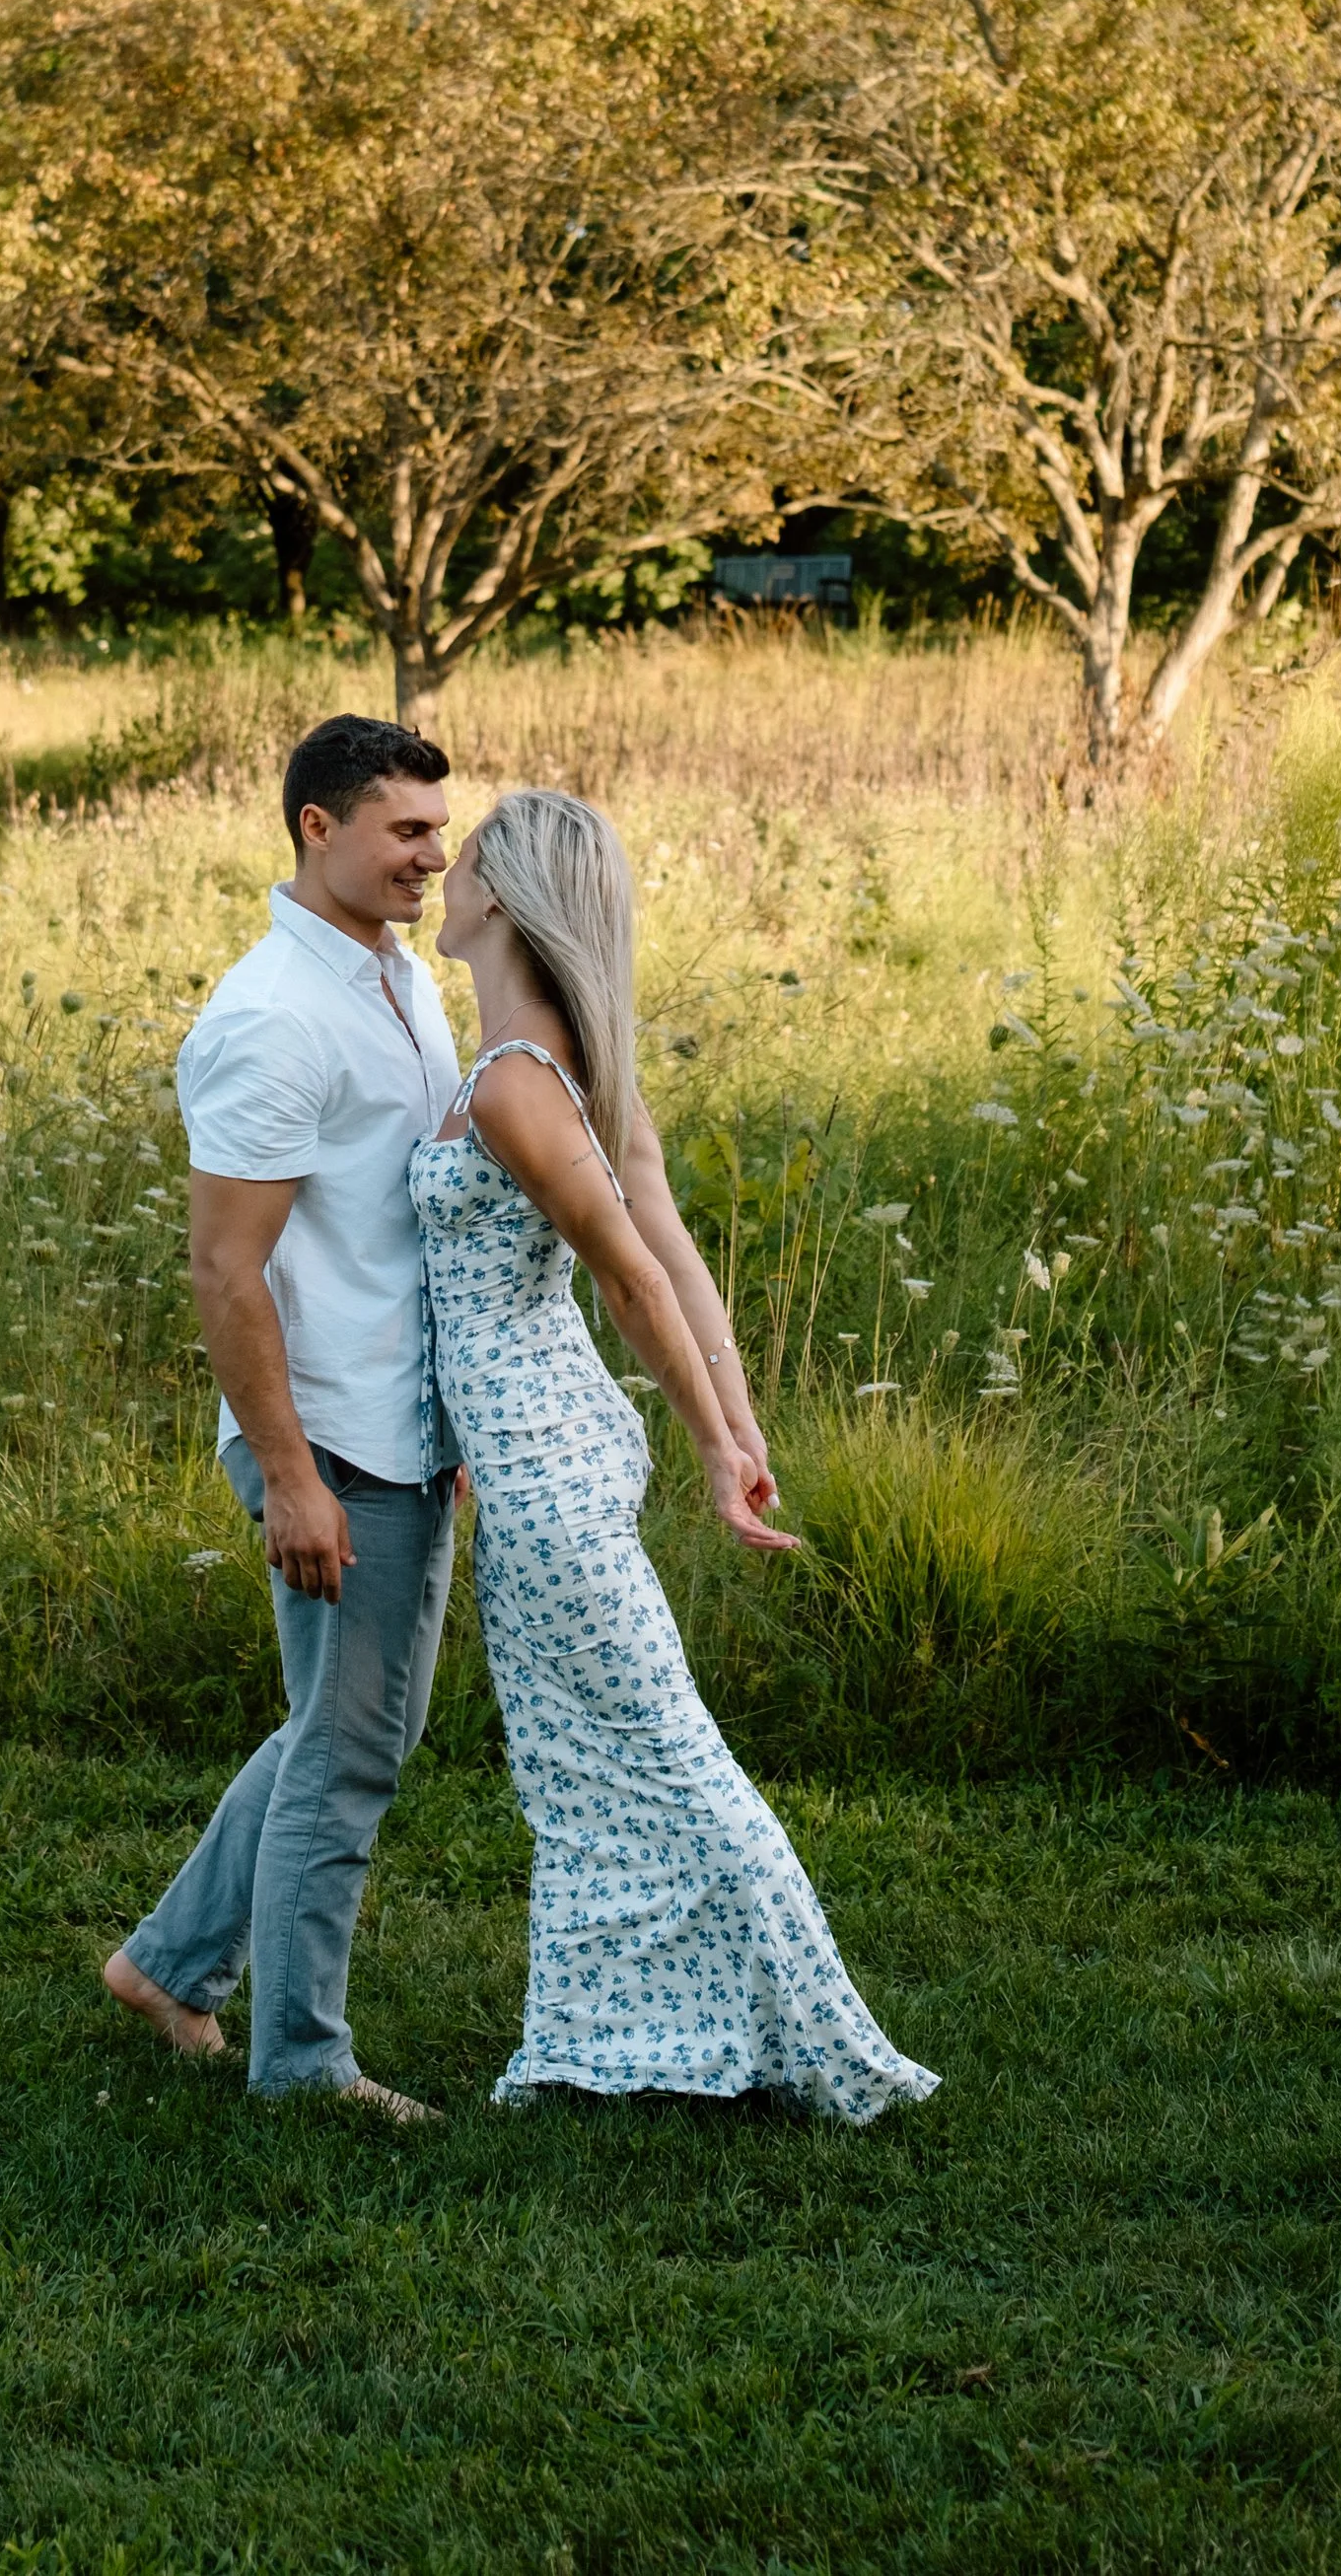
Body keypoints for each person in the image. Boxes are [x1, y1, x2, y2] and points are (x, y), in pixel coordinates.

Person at [414, 787, 940, 2121]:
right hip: (537, 1447)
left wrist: (720, 1442)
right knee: (578, 1764)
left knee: (653, 1752)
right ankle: (618, 2043)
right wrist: (739, 1417)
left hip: (545, 1462)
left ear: (502, 902)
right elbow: (678, 1257)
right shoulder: (564, 1076)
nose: (441, 873)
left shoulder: (520, 1090)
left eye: (459, 856)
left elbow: (646, 1278)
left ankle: (821, 2038)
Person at [104, 713, 461, 2120]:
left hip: (402, 1415)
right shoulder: (270, 1016)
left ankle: (168, 1964)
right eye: (407, 830)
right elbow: (224, 1266)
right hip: (331, 1434)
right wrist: (294, 1476)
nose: (435, 854)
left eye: (439, 829)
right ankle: (302, 2061)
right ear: (320, 828)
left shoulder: (395, 975)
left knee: (342, 1722)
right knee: (354, 1740)